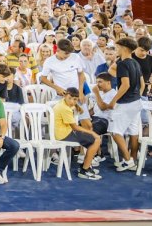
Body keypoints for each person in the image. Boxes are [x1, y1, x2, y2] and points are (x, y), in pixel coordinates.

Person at [105, 38, 143, 171]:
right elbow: (141, 84)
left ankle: (128, 161)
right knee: (133, 132)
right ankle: (133, 159)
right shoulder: (135, 63)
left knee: (115, 132)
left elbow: (125, 85)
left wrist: (113, 100)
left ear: (124, 48)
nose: (116, 50)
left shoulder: (122, 64)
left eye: (117, 48)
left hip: (126, 103)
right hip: (136, 102)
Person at [54, 87, 102, 180]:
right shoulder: (65, 109)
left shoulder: (62, 103)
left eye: (75, 99)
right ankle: (85, 170)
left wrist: (77, 106)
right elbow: (75, 127)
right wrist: (92, 133)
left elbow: (74, 106)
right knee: (96, 139)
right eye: (70, 98)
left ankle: (87, 165)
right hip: (64, 135)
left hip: (63, 132)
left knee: (91, 138)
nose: (72, 101)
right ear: (65, 96)